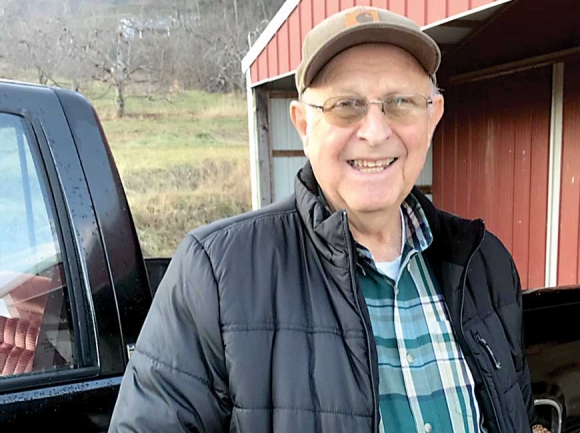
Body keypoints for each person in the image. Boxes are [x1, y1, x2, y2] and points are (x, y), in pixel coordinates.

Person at [109, 6, 538, 432]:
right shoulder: (218, 277)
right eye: (345, 104)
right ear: (303, 124)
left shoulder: (486, 266)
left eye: (401, 102)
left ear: (433, 116)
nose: (374, 131)